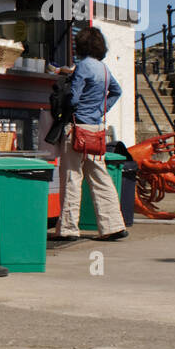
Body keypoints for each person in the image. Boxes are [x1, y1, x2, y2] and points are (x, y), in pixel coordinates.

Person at [53, 26, 127, 242]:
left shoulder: (83, 66)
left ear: (81, 45)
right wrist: (100, 110)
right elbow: (117, 91)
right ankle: (113, 225)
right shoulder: (103, 68)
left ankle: (68, 228)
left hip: (76, 128)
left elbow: (73, 98)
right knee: (100, 177)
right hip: (95, 129)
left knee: (71, 177)